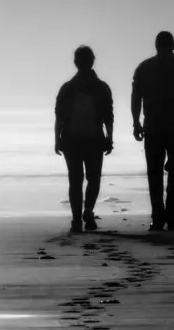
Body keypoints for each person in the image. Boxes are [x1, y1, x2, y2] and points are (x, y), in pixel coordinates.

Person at [131, 31, 174, 231]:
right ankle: (171, 215)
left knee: (155, 174)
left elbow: (136, 98)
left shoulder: (144, 68)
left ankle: (158, 216)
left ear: (156, 45)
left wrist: (136, 123)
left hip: (153, 128)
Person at [55, 45, 114, 233]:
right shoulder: (102, 88)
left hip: (71, 138)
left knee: (75, 180)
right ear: (93, 61)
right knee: (93, 178)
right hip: (94, 137)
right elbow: (108, 116)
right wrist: (110, 137)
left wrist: (56, 138)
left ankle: (76, 220)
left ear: (75, 63)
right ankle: (88, 211)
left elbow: (59, 117)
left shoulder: (67, 88)